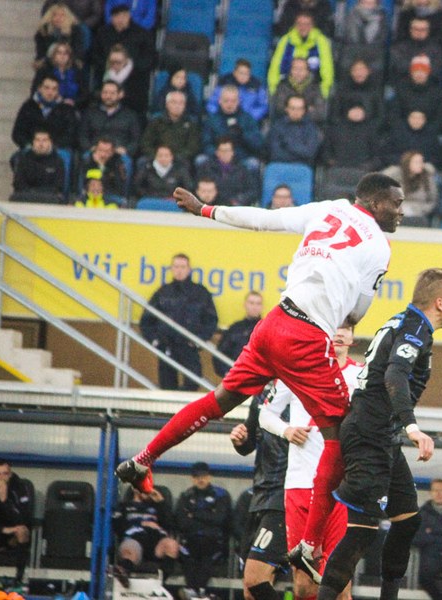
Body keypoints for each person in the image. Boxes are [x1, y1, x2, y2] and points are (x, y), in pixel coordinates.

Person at [116, 173, 404, 590]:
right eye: (396, 203)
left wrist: (205, 209)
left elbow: (264, 219)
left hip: (273, 323)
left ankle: (143, 459)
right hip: (308, 337)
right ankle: (309, 545)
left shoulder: (328, 209)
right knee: (340, 435)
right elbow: (356, 312)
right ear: (376, 203)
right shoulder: (379, 244)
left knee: (219, 400)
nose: (400, 212)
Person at [315, 268, 442, 600]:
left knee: (407, 521)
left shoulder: (407, 323)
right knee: (362, 532)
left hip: (382, 437)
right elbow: (395, 375)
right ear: (440, 303)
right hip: (370, 436)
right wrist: (412, 427)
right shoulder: (414, 330)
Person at [258, 326, 363, 600]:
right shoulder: (298, 369)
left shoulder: (361, 376)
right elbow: (265, 415)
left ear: (352, 337)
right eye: (335, 326)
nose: (340, 333)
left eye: (347, 328)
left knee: (340, 581)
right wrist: (286, 430)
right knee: (304, 583)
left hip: (341, 489)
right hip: (300, 485)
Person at [230, 389, 290, 600]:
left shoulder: (305, 394)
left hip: (284, 498)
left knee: (255, 581)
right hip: (260, 497)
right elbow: (249, 443)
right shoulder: (262, 396)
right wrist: (240, 440)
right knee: (251, 591)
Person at [138, 253, 219, 391]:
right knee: (167, 385)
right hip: (167, 346)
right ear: (171, 269)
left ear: (189, 269)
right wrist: (155, 341)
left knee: (193, 382)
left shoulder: (200, 292)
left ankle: (183, 405)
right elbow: (146, 321)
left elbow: (211, 320)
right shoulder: (163, 292)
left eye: (182, 267)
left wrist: (199, 340)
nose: (179, 270)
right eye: (176, 267)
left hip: (189, 346)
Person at [175, 462, 233, 599]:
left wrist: (194, 514)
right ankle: (196, 592)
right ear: (192, 479)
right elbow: (181, 522)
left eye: (204, 476)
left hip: (214, 541)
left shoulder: (221, 495)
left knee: (206, 551)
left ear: (209, 477)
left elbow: (220, 519)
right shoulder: (186, 496)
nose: (201, 480)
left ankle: (196, 590)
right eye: (197, 477)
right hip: (191, 539)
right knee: (186, 552)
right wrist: (207, 516)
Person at [112, 485, 180, 588]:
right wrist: (141, 523)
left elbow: (171, 525)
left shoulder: (157, 507)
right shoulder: (123, 506)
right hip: (134, 540)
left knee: (172, 545)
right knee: (129, 549)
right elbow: (117, 526)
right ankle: (123, 578)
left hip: (156, 543)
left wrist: (161, 502)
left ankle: (160, 584)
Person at [91, 4, 154, 102]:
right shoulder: (103, 33)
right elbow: (94, 54)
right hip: (105, 75)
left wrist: (129, 66)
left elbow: (149, 58)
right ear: (112, 18)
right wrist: (109, 65)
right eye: (117, 16)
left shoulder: (142, 34)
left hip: (134, 78)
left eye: (124, 16)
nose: (120, 19)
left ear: (129, 16)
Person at [269, 13, 335, 99]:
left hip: (313, 88)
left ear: (312, 26)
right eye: (299, 24)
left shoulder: (321, 41)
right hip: (287, 87)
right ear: (295, 25)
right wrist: (273, 89)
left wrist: (324, 91)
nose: (303, 27)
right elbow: (275, 65)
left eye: (307, 24)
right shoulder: (286, 40)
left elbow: (327, 67)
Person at [201, 86, 265, 170]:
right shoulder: (211, 120)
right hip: (216, 158)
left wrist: (242, 134)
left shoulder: (248, 119)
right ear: (220, 101)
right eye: (226, 101)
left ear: (238, 101)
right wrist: (219, 153)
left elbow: (257, 144)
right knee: (201, 160)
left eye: (233, 101)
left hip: (241, 158)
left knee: (253, 163)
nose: (229, 104)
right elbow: (206, 143)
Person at [411, 479, 442, 600]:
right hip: (430, 554)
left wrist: (432, 532)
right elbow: (415, 537)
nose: (438, 493)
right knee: (424, 577)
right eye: (435, 490)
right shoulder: (421, 513)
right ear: (430, 493)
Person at [12, 74, 78, 151]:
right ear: (39, 88)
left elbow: (71, 134)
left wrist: (52, 146)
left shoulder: (66, 109)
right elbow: (17, 133)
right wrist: (31, 145)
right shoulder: (28, 107)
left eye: (54, 89)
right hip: (31, 149)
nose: (50, 92)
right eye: (47, 88)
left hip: (58, 149)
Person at [79, 80, 142, 158]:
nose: (108, 96)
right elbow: (83, 136)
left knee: (125, 161)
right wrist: (90, 147)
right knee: (86, 159)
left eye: (112, 93)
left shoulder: (130, 115)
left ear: (120, 94)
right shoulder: (90, 113)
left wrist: (126, 150)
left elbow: (136, 139)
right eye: (105, 93)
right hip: (95, 152)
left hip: (119, 153)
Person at [196, 137, 260, 207]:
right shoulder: (207, 167)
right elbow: (198, 187)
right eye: (222, 151)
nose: (225, 154)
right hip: (212, 205)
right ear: (217, 152)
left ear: (232, 152)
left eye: (227, 151)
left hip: (235, 206)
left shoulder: (242, 169)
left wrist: (239, 199)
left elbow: (252, 191)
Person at [141, 90, 202, 164]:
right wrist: (158, 156)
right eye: (174, 102)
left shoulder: (191, 123)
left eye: (181, 103)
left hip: (180, 160)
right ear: (167, 104)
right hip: (157, 158)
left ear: (185, 105)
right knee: (142, 161)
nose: (177, 106)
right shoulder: (156, 122)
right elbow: (146, 142)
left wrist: (174, 158)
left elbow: (193, 147)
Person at [213, 291, 265, 378]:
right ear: (245, 305)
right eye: (251, 303)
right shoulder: (235, 328)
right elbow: (220, 353)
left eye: (258, 304)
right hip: (236, 376)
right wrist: (226, 372)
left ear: (262, 307)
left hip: (259, 378)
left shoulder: (267, 328)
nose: (254, 307)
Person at [389, 56, 442, 133]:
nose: (419, 74)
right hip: (403, 133)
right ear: (411, 72)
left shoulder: (437, 92)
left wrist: (428, 131)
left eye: (423, 71)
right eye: (416, 71)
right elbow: (394, 115)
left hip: (429, 133)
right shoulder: (401, 89)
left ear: (428, 73)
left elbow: (440, 118)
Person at [10, 129, 66, 204]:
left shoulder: (58, 161)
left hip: (49, 197)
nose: (41, 144)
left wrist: (42, 193)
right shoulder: (24, 159)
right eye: (37, 140)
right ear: (33, 142)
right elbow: (18, 183)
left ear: (50, 142)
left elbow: (58, 186)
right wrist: (32, 192)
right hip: (27, 196)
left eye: (44, 140)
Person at [382, 151, 439, 223]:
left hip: (419, 214)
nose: (420, 165)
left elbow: (432, 201)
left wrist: (419, 210)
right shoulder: (396, 175)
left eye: (421, 162)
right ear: (407, 163)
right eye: (416, 162)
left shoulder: (427, 178)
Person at [207, 59, 269, 123]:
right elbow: (212, 104)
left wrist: (249, 117)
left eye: (246, 74)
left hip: (248, 121)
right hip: (223, 120)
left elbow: (263, 106)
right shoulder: (224, 83)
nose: (243, 76)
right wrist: (219, 116)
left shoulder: (257, 86)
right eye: (241, 73)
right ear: (235, 73)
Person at [267, 95, 323, 166]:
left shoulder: (311, 128)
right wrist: (298, 155)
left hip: (303, 167)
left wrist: (288, 143)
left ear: (304, 110)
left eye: (299, 109)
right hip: (280, 166)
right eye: (292, 108)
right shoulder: (277, 127)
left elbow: (310, 153)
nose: (296, 112)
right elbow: (275, 153)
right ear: (286, 109)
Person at [271, 58, 327, 126]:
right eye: (295, 69)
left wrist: (293, 109)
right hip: (286, 126)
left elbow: (321, 112)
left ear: (307, 71)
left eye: (302, 69)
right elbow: (279, 109)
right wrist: (307, 109)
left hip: (309, 126)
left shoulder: (315, 87)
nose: (298, 72)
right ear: (290, 70)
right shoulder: (282, 86)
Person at [339, 0, 389, 77]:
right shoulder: (350, 16)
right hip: (351, 61)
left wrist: (365, 68)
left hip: (373, 61)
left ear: (377, 4)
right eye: (364, 3)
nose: (367, 6)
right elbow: (345, 41)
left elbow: (380, 43)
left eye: (371, 4)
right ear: (359, 3)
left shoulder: (382, 19)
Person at [32, 41, 87, 108]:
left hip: (73, 107)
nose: (62, 56)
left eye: (65, 53)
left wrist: (74, 102)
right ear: (54, 55)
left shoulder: (77, 71)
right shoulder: (44, 71)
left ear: (69, 56)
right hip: (49, 107)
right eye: (59, 53)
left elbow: (85, 93)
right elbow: (35, 91)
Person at [389, 18, 442, 83]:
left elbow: (437, 68)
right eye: (416, 29)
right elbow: (398, 67)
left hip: (429, 85)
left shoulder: (436, 49)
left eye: (423, 29)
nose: (419, 32)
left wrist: (422, 72)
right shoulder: (399, 48)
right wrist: (416, 70)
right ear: (410, 30)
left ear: (428, 31)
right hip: (403, 84)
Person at [35, 2, 86, 69]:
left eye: (62, 15)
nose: (58, 18)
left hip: (71, 64)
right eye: (55, 15)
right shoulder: (43, 32)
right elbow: (40, 52)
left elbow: (78, 51)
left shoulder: (75, 31)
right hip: (48, 64)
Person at [104, 44, 148, 115]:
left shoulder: (137, 76)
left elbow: (140, 102)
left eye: (118, 62)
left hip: (131, 112)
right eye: (112, 62)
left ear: (126, 61)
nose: (115, 65)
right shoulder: (106, 76)